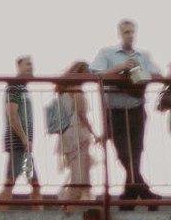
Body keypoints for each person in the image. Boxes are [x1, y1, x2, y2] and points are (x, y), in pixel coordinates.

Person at [91, 19, 161, 201]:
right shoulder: (107, 53)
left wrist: (137, 73)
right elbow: (94, 73)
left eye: (131, 32)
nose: (129, 35)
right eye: (126, 32)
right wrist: (119, 69)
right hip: (115, 111)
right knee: (123, 152)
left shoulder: (142, 55)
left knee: (136, 151)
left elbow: (156, 75)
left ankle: (130, 192)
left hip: (136, 109)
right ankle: (142, 190)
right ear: (120, 34)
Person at [55, 62, 102, 202]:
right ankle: (70, 200)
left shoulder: (63, 91)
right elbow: (82, 115)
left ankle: (76, 198)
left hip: (66, 133)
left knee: (78, 166)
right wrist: (94, 134)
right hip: (77, 132)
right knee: (80, 168)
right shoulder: (77, 91)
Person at [0, 55, 41, 205]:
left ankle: (38, 217)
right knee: (11, 181)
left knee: (35, 184)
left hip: (24, 143)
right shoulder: (14, 86)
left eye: (32, 64)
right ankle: (1, 215)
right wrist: (24, 138)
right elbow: (12, 114)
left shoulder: (22, 88)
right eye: (27, 64)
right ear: (19, 66)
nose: (31, 67)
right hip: (17, 141)